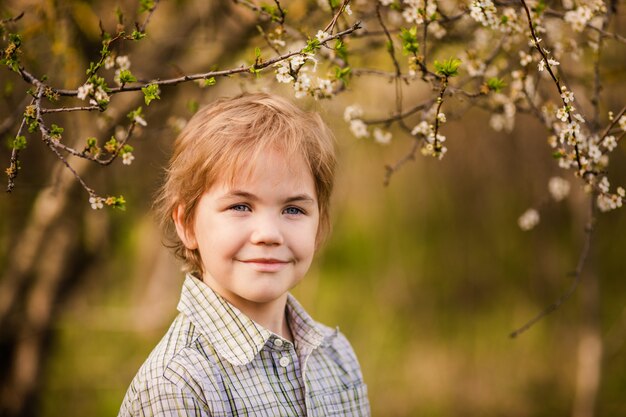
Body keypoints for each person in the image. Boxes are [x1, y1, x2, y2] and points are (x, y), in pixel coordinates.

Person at [118, 92, 370, 416]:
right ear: (187, 225)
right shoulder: (177, 385)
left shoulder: (337, 356)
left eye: (293, 209)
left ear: (319, 226)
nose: (268, 234)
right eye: (240, 206)